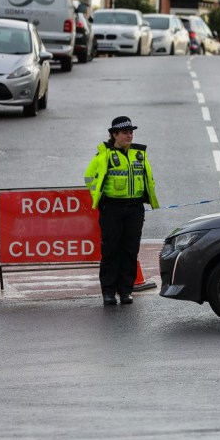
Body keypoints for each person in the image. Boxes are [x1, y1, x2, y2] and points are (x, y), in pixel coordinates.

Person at [84, 116, 159, 306]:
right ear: (114, 135)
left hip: (135, 209)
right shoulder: (104, 156)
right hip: (112, 209)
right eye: (125, 132)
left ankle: (126, 290)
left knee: (130, 251)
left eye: (131, 132)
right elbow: (89, 178)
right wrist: (100, 201)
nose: (129, 135)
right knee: (111, 250)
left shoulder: (139, 154)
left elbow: (149, 178)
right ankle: (108, 292)